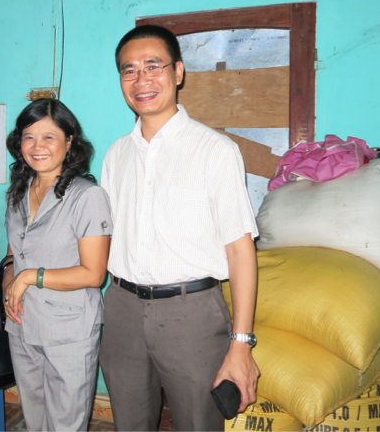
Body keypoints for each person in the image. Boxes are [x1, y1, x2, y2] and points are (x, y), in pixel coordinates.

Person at [99, 25, 260, 432]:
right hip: (121, 308)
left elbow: (241, 252)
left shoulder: (216, 151)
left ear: (179, 72)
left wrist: (241, 346)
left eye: (153, 66)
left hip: (192, 315)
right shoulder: (116, 155)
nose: (141, 80)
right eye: (129, 70)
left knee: (197, 424)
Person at [1, 99, 112, 432]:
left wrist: (28, 278)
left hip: (69, 328)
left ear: (69, 142)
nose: (38, 146)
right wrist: (10, 277)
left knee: (65, 423)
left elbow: (94, 274)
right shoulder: (17, 192)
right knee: (35, 419)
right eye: (29, 137)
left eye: (49, 137)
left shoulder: (87, 197)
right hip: (22, 323)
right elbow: (15, 249)